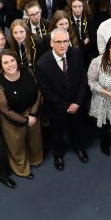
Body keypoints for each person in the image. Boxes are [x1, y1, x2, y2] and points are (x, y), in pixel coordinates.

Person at [36, 28, 90, 171]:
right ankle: (58, 156)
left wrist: (77, 102)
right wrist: (66, 106)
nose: (62, 45)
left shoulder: (76, 54)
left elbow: (83, 80)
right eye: (58, 42)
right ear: (51, 43)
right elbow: (46, 92)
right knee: (56, 134)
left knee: (77, 129)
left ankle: (79, 148)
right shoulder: (42, 64)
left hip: (77, 104)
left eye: (65, 41)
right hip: (56, 109)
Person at [0, 50, 43, 178]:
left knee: (34, 141)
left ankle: (35, 159)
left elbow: (38, 92)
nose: (10, 65)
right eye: (6, 62)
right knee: (16, 148)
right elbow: (5, 110)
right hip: (12, 119)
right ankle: (22, 169)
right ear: (1, 66)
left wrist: (33, 114)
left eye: (12, 60)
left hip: (32, 112)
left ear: (17, 60)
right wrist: (25, 121)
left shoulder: (27, 71)